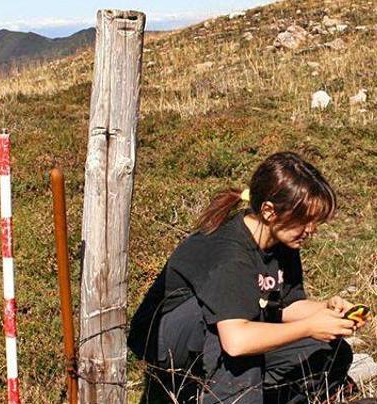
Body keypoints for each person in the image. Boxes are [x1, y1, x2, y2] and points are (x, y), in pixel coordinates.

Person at [127, 152, 361, 403]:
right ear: (270, 212)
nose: (311, 230)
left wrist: (326, 311)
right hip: (169, 343)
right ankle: (210, 394)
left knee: (329, 352)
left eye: (316, 221)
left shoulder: (282, 242)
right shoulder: (229, 251)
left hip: (227, 330)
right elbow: (237, 341)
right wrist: (309, 327)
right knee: (240, 355)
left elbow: (285, 305)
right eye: (304, 220)